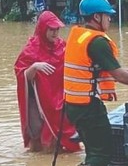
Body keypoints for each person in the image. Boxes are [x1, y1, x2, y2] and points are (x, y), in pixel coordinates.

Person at [63, 0, 128, 166]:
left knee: (93, 150)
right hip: (88, 106)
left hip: (73, 104)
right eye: (108, 16)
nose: (110, 19)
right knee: (101, 154)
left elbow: (97, 69)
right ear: (96, 17)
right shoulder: (97, 42)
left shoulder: (79, 35)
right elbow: (119, 76)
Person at [14, 11, 79, 153]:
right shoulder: (31, 50)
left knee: (63, 134)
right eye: (51, 29)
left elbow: (77, 64)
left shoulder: (63, 46)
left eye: (57, 29)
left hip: (59, 99)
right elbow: (21, 74)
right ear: (43, 29)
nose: (55, 33)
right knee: (38, 137)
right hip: (38, 102)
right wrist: (35, 67)